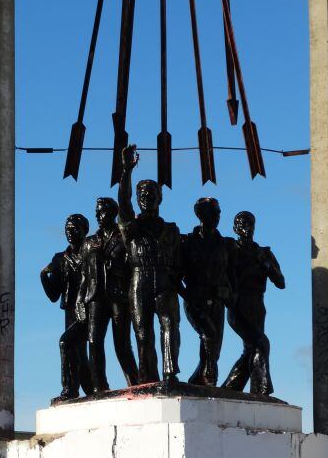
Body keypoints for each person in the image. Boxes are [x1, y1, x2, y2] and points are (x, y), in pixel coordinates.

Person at [117, 144, 182, 383]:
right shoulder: (131, 228)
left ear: (160, 197)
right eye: (142, 195)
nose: (147, 197)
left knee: (170, 326)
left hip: (164, 280)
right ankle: (148, 379)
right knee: (143, 334)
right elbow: (123, 205)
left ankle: (169, 373)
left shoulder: (171, 230)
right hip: (139, 279)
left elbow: (179, 261)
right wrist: (126, 171)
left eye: (152, 193)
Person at [79, 197, 140, 392]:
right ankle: (99, 386)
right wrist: (81, 300)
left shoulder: (123, 236)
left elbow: (133, 266)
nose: (98, 216)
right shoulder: (89, 242)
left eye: (102, 212)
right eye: (96, 212)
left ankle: (135, 382)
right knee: (94, 341)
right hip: (95, 297)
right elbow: (84, 274)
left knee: (122, 343)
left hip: (119, 295)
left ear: (113, 213)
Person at [222, 211, 285, 395]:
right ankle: (261, 389)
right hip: (238, 304)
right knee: (261, 343)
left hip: (258, 305)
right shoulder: (230, 249)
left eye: (250, 224)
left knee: (251, 349)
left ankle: (230, 387)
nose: (246, 227)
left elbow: (281, 282)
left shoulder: (263, 253)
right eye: (242, 224)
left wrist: (268, 266)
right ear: (235, 228)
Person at [40, 214, 94, 399]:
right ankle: (91, 390)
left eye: (74, 229)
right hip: (70, 312)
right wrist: (43, 277)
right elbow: (54, 296)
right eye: (67, 229)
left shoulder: (91, 252)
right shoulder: (60, 259)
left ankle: (69, 390)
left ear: (85, 231)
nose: (70, 233)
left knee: (66, 343)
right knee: (79, 353)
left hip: (89, 310)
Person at [180, 198, 232, 386]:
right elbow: (175, 274)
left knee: (213, 350)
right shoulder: (187, 242)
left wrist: (229, 293)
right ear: (200, 215)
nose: (218, 216)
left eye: (218, 212)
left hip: (217, 300)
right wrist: (188, 296)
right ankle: (211, 380)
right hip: (195, 299)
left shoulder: (225, 244)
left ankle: (196, 382)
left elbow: (229, 272)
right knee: (209, 335)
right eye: (213, 212)